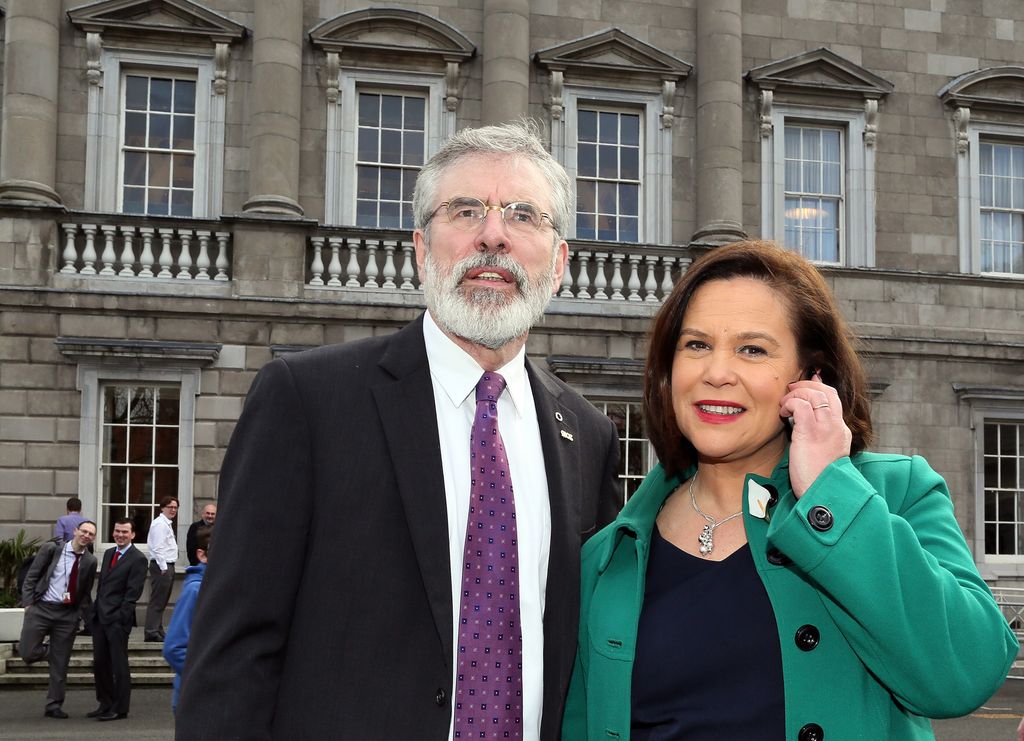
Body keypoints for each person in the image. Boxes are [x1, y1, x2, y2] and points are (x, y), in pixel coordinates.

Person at [175, 121, 622, 740]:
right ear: (419, 246)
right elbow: (231, 655)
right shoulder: (306, 399)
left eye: (523, 215)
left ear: (560, 260)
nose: (492, 235)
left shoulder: (588, 434)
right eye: (465, 210)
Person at [563, 240, 1019, 740]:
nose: (717, 373)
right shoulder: (607, 558)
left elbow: (964, 674)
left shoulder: (894, 493)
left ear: (809, 376)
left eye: (752, 349)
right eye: (696, 345)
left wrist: (830, 493)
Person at [19, 521, 97, 719]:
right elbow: (32, 576)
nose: (86, 535)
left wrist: (80, 616)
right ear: (75, 531)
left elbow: (85, 592)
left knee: (60, 665)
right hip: (41, 609)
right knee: (27, 652)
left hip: (67, 615)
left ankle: (54, 704)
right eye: (84, 531)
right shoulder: (52, 549)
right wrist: (28, 605)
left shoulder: (90, 561)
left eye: (91, 534)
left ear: (93, 539)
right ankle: (52, 651)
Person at [89, 517, 148, 722]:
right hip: (99, 618)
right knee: (100, 663)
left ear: (132, 535)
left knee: (118, 665)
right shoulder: (108, 553)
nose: (120, 535)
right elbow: (103, 585)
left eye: (124, 532)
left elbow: (133, 593)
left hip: (117, 620)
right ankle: (104, 703)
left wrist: (120, 617)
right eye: (117, 531)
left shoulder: (138, 558)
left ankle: (119, 708)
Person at [163, 524, 211, 713]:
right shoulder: (195, 590)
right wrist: (212, 677)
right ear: (202, 555)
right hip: (195, 697)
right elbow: (174, 648)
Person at [144, 495, 178, 642]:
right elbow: (157, 547)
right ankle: (151, 631)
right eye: (170, 507)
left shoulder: (166, 523)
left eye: (175, 507)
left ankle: (157, 629)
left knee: (162, 600)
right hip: (161, 566)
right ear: (162, 508)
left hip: (167, 565)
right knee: (158, 600)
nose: (173, 510)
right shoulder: (160, 524)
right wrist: (163, 567)